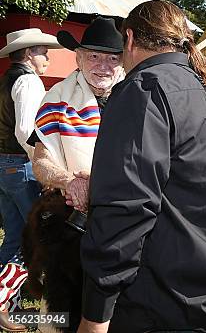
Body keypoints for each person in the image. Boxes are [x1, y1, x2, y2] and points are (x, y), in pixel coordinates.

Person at [78, 0, 206, 333]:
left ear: (128, 39)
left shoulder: (144, 89)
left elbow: (125, 207)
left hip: (161, 302)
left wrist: (96, 313)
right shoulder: (198, 87)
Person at [11, 17, 123, 333]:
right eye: (95, 56)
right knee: (69, 309)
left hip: (126, 222)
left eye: (113, 58)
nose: (104, 66)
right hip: (72, 223)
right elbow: (41, 162)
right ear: (78, 56)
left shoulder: (135, 94)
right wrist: (70, 181)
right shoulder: (58, 97)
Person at [0, 28, 61, 331]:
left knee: (14, 238)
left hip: (4, 165)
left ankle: (8, 306)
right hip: (19, 165)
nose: (47, 57)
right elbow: (25, 130)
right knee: (37, 239)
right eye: (42, 51)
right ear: (28, 54)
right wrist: (41, 162)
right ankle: (8, 304)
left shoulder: (8, 78)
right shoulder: (26, 80)